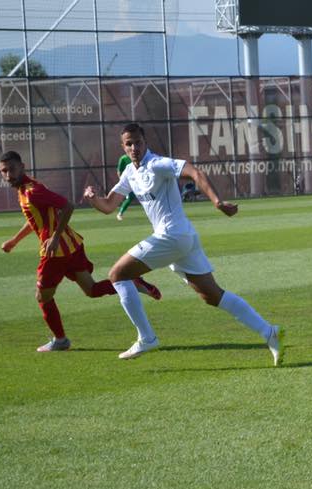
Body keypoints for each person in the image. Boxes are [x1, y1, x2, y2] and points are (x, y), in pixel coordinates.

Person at [83, 122, 284, 364]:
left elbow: (194, 172)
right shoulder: (129, 173)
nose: (134, 147)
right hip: (182, 239)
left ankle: (147, 338)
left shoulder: (157, 164)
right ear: (123, 147)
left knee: (117, 274)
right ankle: (269, 332)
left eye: (138, 142)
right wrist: (93, 199)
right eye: (129, 144)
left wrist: (217, 202)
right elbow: (108, 206)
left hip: (172, 236)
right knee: (212, 295)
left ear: (145, 142)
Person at [0, 150, 161, 352]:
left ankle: (60, 340)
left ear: (22, 167)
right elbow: (36, 220)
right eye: (4, 171)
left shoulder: (32, 190)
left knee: (43, 297)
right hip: (72, 246)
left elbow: (68, 206)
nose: (8, 175)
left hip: (56, 253)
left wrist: (55, 238)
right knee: (91, 290)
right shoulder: (26, 189)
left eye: (11, 169)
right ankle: (132, 282)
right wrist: (15, 240)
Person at [115, 153, 136, 220]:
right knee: (130, 197)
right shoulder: (123, 158)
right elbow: (119, 171)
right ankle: (120, 213)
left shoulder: (137, 157)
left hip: (138, 180)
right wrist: (122, 181)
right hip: (128, 181)